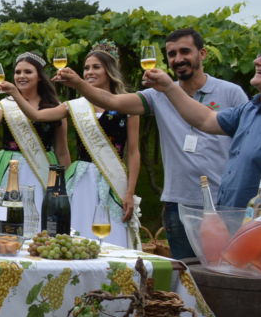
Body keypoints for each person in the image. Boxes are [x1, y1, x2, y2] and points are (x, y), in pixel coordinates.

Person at [54, 28, 247, 258]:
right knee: (186, 273)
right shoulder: (158, 95)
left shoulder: (231, 93)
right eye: (172, 54)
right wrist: (79, 84)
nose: (178, 59)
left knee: (226, 270)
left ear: (203, 53)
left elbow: (246, 146)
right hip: (179, 203)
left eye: (185, 51)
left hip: (223, 202)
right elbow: (112, 100)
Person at [141, 36, 261, 264]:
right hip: (234, 232)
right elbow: (206, 119)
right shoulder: (253, 108)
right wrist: (168, 87)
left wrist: (249, 240)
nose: (257, 61)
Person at [0, 52, 69, 212]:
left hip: (44, 167)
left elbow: (62, 151)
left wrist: (66, 184)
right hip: (10, 165)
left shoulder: (56, 106)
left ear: (39, 76)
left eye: (28, 72)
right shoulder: (4, 104)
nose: (21, 76)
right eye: (18, 72)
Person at [59, 44, 141, 247]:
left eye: (96, 67)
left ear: (109, 70)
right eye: (86, 68)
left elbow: (133, 152)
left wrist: (130, 192)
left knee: (113, 235)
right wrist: (15, 93)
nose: (89, 72)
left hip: (112, 179)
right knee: (77, 234)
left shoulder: (127, 104)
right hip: (82, 179)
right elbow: (37, 115)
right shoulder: (77, 106)